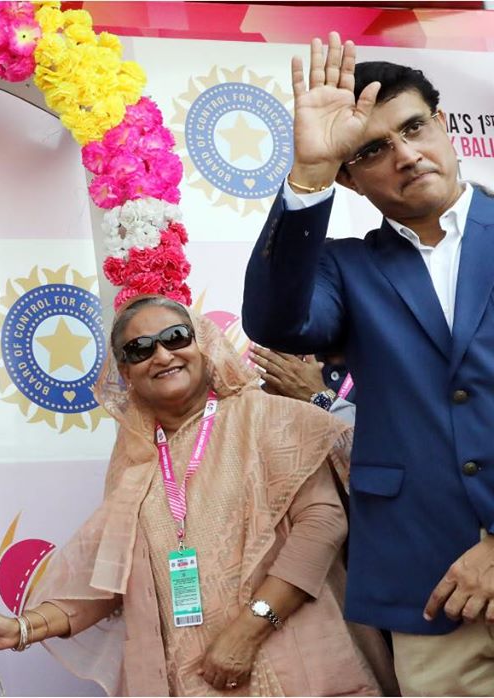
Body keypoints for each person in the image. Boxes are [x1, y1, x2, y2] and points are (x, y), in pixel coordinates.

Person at [0, 295, 395, 696]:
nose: (162, 355)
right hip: (195, 676)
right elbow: (107, 576)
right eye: (140, 349)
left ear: (202, 345)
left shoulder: (267, 416)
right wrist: (21, 629)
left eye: (175, 338)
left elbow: (322, 525)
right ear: (125, 373)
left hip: (296, 656)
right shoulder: (135, 457)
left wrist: (250, 628)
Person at [243, 32, 494, 695]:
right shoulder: (345, 269)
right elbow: (276, 323)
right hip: (429, 591)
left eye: (414, 127)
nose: (406, 155)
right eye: (373, 149)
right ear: (350, 178)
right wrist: (308, 177)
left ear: (445, 125)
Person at [249, 346, 355, 425]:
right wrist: (272, 402)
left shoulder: (369, 370)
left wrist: (321, 398)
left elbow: (366, 444)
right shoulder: (293, 365)